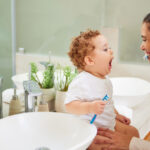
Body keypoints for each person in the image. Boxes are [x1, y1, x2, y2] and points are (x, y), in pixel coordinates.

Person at [64, 29, 139, 149]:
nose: (111, 51)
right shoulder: (82, 82)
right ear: (90, 60)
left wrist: (117, 115)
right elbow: (69, 105)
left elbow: (107, 101)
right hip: (92, 131)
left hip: (109, 125)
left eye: (109, 48)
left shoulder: (105, 80)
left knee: (134, 133)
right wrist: (90, 107)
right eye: (105, 49)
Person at [94, 13, 150, 150]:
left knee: (133, 132)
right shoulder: (89, 82)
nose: (142, 47)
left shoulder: (105, 82)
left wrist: (113, 112)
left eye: (145, 39)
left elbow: (106, 98)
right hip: (95, 120)